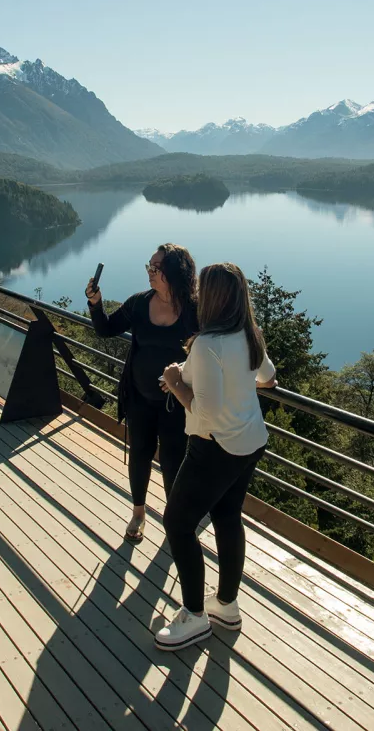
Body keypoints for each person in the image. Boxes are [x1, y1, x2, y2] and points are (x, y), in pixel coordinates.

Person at [155, 262, 277, 651]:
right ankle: (226, 605)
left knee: (177, 523)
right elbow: (267, 379)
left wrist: (174, 381)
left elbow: (203, 411)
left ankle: (194, 616)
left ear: (212, 297)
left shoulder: (208, 344)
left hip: (215, 445)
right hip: (250, 441)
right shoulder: (248, 334)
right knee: (226, 517)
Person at [86, 244, 198, 544]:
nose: (150, 272)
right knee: (139, 455)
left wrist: (182, 375)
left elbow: (208, 353)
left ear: (175, 271)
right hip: (139, 397)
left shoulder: (194, 310)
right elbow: (106, 329)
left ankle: (173, 518)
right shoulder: (138, 303)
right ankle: (138, 512)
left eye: (156, 268)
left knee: (174, 460)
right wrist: (96, 304)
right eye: (148, 266)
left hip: (177, 403)